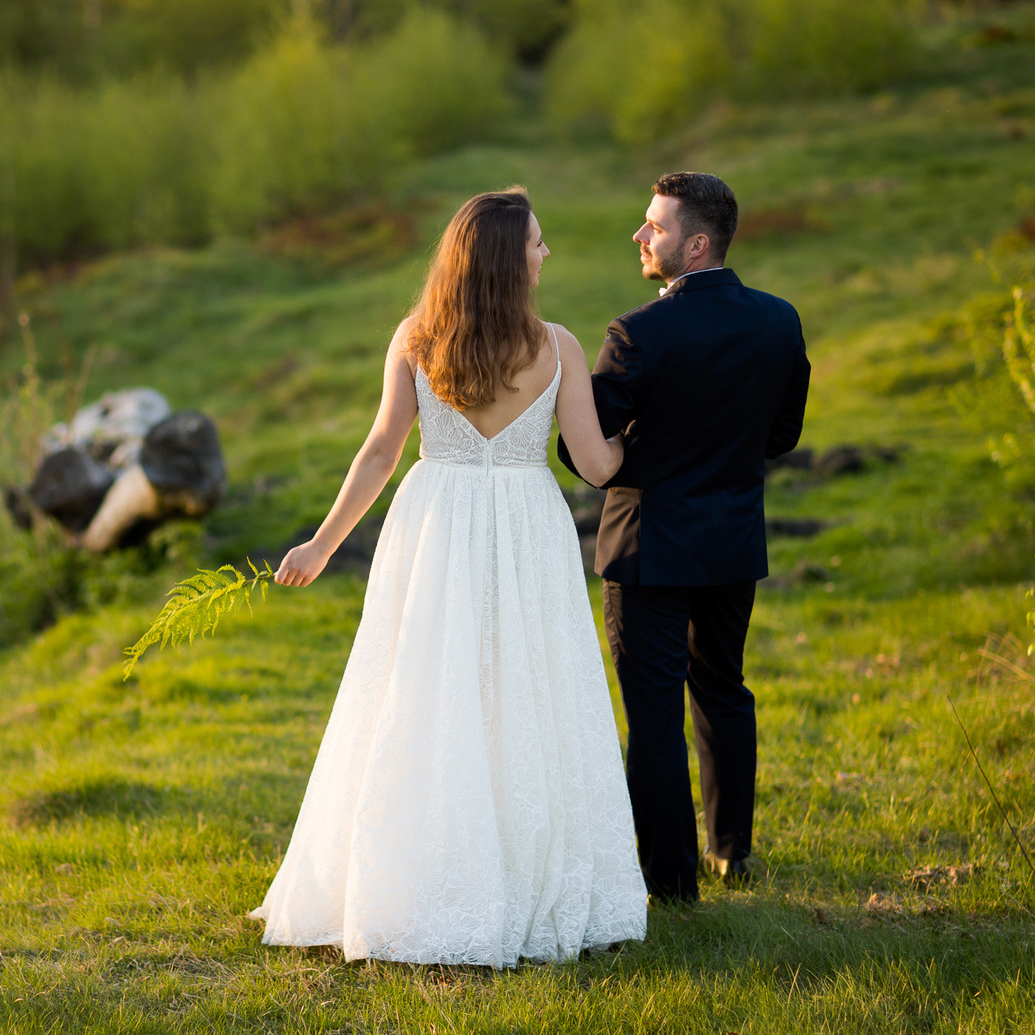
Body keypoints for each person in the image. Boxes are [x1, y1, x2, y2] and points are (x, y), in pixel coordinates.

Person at [251, 188, 648, 967]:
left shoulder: (416, 338)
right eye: (535, 243)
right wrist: (649, 432)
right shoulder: (560, 347)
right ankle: (514, 870)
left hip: (434, 527)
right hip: (528, 530)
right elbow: (599, 466)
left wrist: (323, 545)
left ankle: (421, 875)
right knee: (525, 693)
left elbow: (379, 453)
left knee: (424, 693)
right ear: (506, 262)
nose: (544, 254)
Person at [558, 172, 810, 904]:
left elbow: (586, 449)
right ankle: (732, 852)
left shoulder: (637, 333)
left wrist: (639, 456)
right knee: (725, 690)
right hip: (732, 541)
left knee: (655, 715)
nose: (640, 236)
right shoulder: (779, 321)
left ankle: (669, 883)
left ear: (696, 245)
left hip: (650, 549)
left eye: (655, 228)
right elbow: (782, 435)